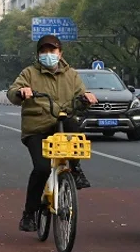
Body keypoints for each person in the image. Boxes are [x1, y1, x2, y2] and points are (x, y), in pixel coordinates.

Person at [8, 35, 98, 232]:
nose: (48, 54)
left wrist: (86, 99)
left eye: (52, 51)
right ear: (39, 54)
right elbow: (12, 91)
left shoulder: (71, 75)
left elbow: (80, 96)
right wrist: (20, 92)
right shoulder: (29, 73)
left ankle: (75, 169)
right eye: (44, 51)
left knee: (72, 123)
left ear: (60, 53)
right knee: (42, 168)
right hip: (36, 128)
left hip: (62, 125)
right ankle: (29, 214)